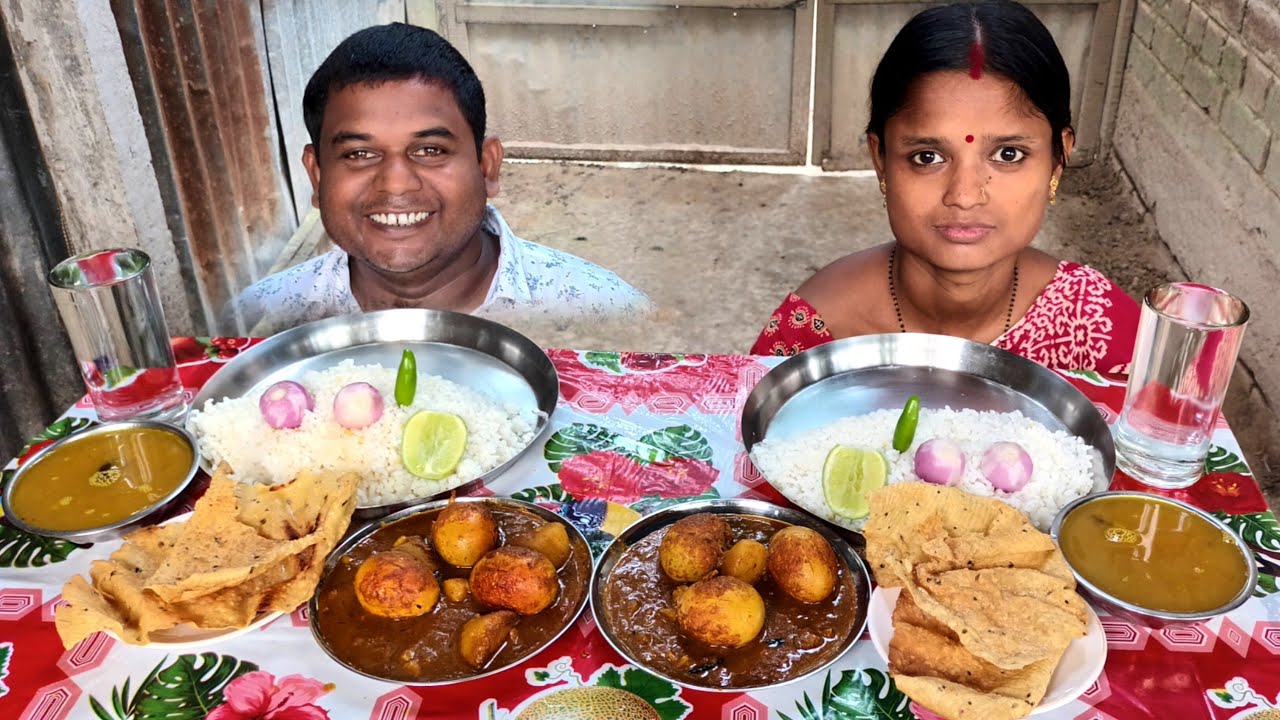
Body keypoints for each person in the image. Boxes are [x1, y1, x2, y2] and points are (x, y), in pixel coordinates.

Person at [750, 0, 1139, 373]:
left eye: (1008, 155)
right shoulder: (817, 335)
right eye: (927, 157)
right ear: (880, 159)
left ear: (1058, 160)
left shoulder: (1098, 328)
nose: (965, 196)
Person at [226, 23, 652, 336]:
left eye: (430, 151)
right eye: (359, 154)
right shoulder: (253, 325)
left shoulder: (605, 315)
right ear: (317, 176)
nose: (395, 185)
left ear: (487, 167)